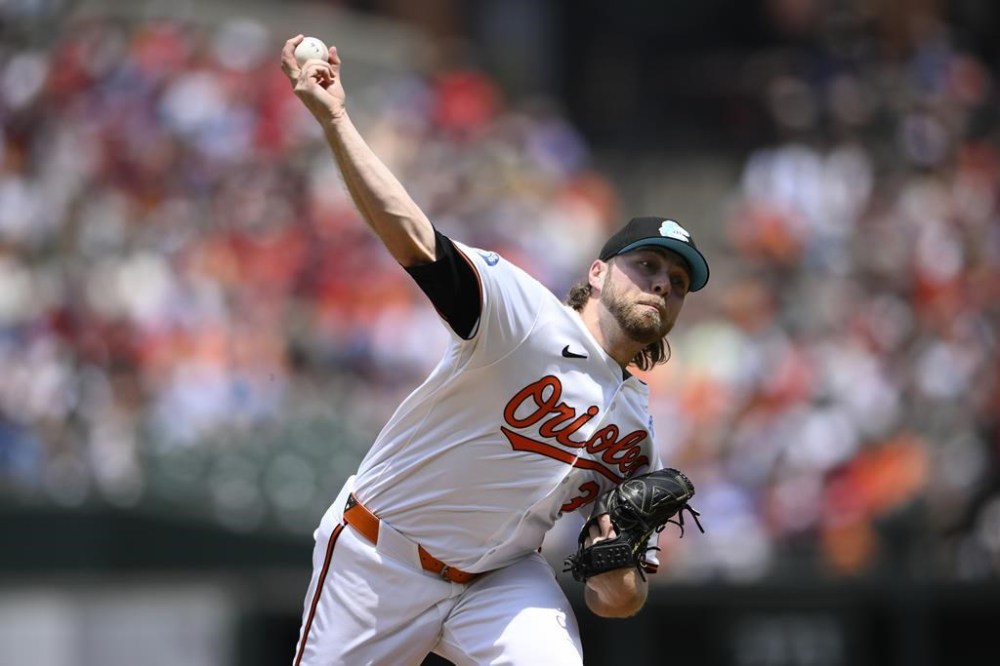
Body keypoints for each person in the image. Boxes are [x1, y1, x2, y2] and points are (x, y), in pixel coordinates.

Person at [282, 34, 711, 666]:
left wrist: (615, 559)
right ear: (597, 273)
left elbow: (614, 601)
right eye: (646, 265)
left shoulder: (635, 430)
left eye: (676, 284)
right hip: (380, 559)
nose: (660, 285)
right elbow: (414, 239)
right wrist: (337, 120)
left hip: (501, 580)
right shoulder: (523, 315)